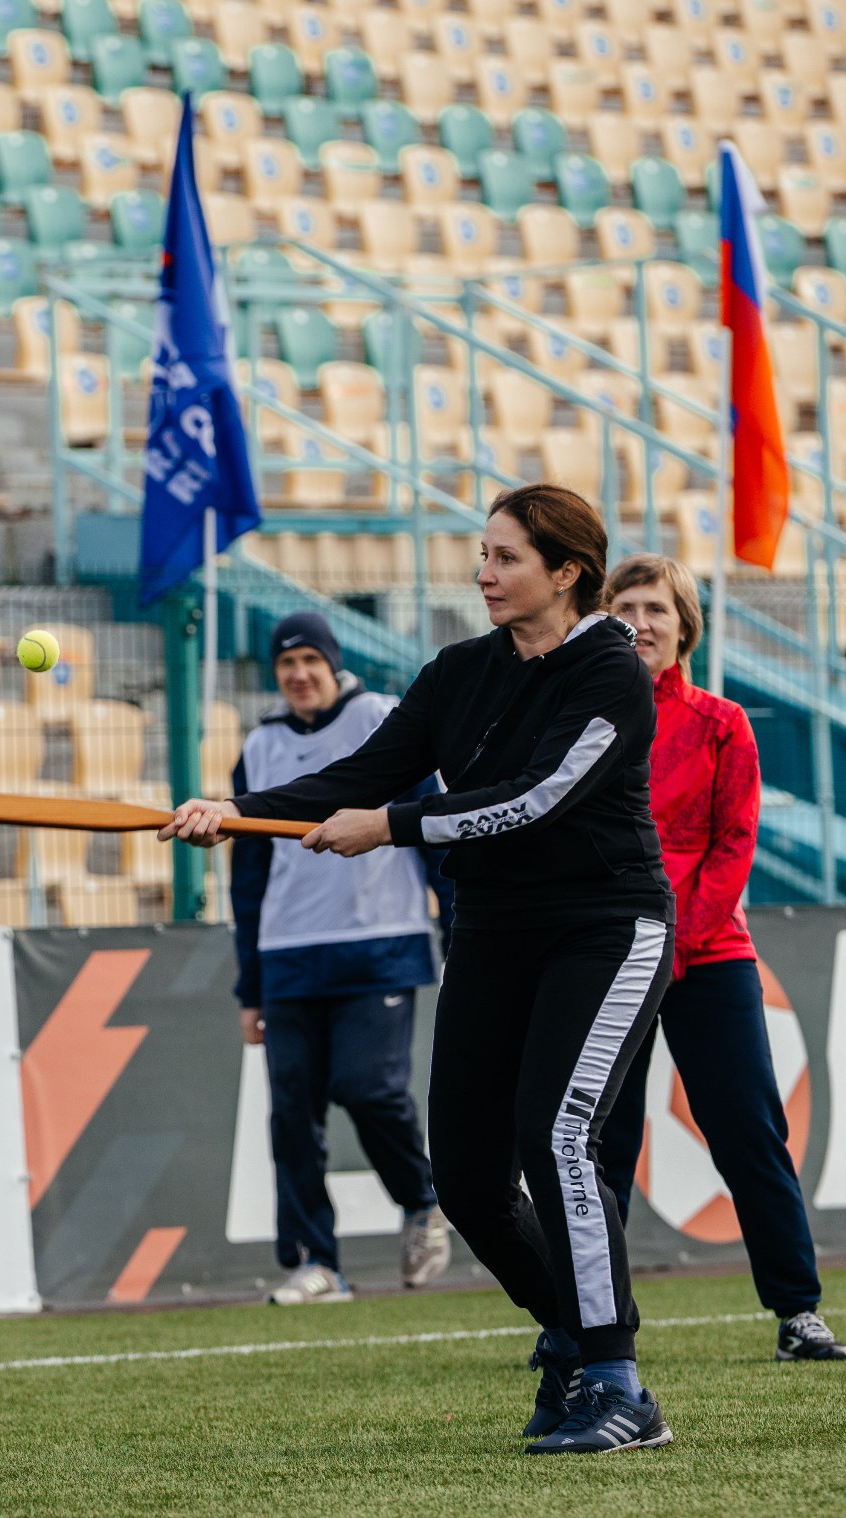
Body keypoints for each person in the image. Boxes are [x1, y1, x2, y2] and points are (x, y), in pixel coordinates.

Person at [169, 484, 677, 1455]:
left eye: (504, 557)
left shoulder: (610, 672)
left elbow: (537, 800)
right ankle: (570, 1341)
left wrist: (395, 827)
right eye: (480, 554)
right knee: (468, 1177)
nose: (481, 573)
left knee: (555, 1136)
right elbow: (356, 776)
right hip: (493, 930)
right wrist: (235, 810)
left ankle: (619, 1382)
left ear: (565, 571)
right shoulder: (454, 673)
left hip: (605, 925)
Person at [598, 555, 846, 1362]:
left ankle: (798, 1311)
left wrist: (673, 944)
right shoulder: (578, 723)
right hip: (602, 955)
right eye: (624, 605)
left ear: (684, 625)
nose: (639, 620)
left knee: (747, 1127)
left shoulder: (722, 723)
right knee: (598, 1141)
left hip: (706, 954)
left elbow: (734, 844)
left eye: (655, 607)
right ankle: (584, 1321)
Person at [230, 610, 454, 1304]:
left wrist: (457, 934)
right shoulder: (258, 744)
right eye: (286, 664)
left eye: (310, 662)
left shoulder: (385, 719)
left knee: (371, 1089)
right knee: (292, 1112)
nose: (298, 675)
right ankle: (314, 1261)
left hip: (381, 946)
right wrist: (250, 987)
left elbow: (436, 835)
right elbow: (247, 878)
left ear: (333, 664)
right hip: (288, 956)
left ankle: (422, 1203)